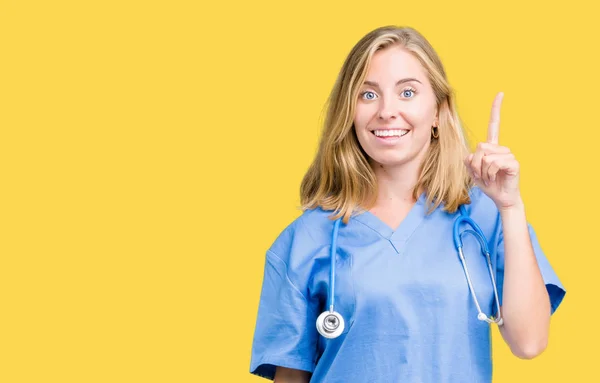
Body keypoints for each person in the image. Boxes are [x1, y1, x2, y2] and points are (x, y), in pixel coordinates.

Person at [249, 25, 566, 383]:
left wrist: (510, 207)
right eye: (368, 95)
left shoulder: (485, 218)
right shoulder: (305, 238)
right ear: (348, 113)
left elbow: (530, 342)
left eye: (408, 92)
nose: (387, 111)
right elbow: (290, 378)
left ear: (437, 111)